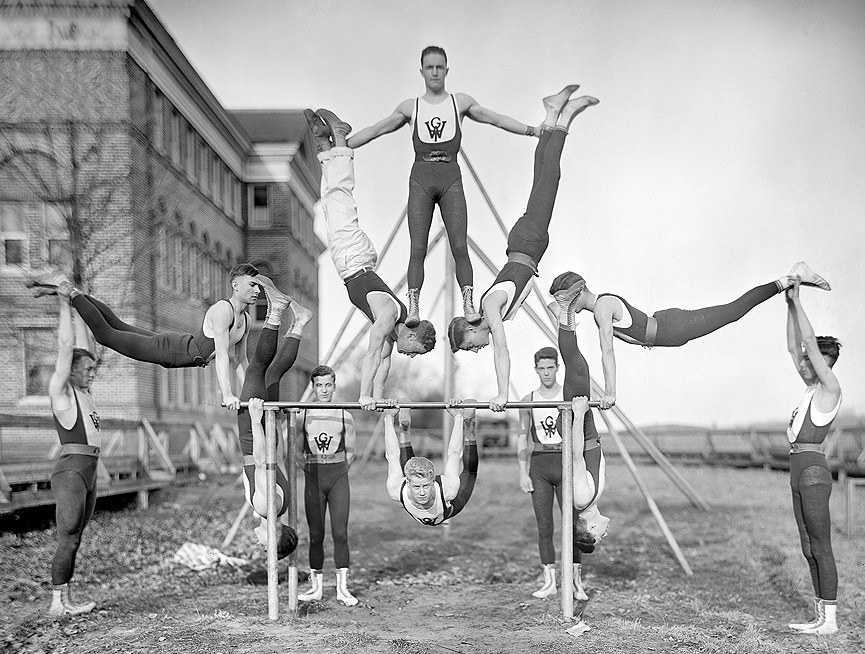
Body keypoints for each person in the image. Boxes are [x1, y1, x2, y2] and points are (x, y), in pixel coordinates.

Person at [346, 45, 545, 327]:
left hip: (450, 178)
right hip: (421, 181)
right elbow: (377, 129)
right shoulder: (410, 107)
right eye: (430, 67)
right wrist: (342, 146)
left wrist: (531, 130)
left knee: (459, 246)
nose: (435, 72)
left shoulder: (459, 103)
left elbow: (496, 119)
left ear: (447, 70)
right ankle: (414, 305)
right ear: (422, 71)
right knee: (418, 248)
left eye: (440, 67)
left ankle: (468, 303)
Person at [446, 86, 598, 410]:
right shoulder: (490, 311)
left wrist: (501, 394)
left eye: (469, 346)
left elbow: (502, 350)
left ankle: (562, 117)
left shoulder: (489, 309)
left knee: (549, 178)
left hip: (527, 242)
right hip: (526, 243)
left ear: (469, 331)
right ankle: (553, 114)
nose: (475, 350)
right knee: (542, 177)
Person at [548, 261, 832, 409]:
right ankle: (788, 279)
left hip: (674, 327)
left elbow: (606, 351)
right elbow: (556, 310)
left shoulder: (602, 307)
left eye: (566, 301)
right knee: (732, 311)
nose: (566, 308)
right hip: (667, 328)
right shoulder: (598, 305)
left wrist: (611, 391)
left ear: (579, 292)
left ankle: (790, 278)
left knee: (733, 310)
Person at [305, 108, 436, 411]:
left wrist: (377, 395)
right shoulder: (390, 316)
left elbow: (384, 364)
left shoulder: (392, 329)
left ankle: (327, 147)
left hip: (354, 261)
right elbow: (371, 356)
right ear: (412, 334)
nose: (411, 356)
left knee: (331, 203)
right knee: (340, 199)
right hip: (353, 260)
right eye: (415, 351)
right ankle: (340, 138)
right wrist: (364, 396)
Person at [31, 263, 263, 410]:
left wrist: (250, 394)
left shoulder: (246, 320)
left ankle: (69, 291)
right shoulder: (224, 310)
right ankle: (67, 289)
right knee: (105, 335)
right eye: (252, 285)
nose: (257, 291)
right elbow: (222, 355)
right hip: (173, 350)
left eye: (258, 287)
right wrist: (228, 395)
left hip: (177, 346)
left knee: (117, 325)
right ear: (235, 285)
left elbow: (241, 361)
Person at [783, 279, 842, 636]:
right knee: (808, 547)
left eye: (811, 360)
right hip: (796, 470)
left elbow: (806, 345)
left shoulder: (830, 389)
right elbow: (794, 346)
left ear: (824, 362)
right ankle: (821, 616)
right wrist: (789, 304)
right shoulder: (809, 390)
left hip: (813, 473)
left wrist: (801, 298)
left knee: (821, 545)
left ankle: (831, 621)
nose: (803, 363)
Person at [239, 278, 313, 562]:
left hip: (271, 440)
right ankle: (276, 312)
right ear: (274, 536)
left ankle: (299, 323)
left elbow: (277, 460)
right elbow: (260, 461)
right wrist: (256, 421)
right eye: (264, 547)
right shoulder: (266, 507)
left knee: (271, 376)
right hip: (254, 438)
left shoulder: (280, 507)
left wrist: (275, 429)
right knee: (256, 370)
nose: (258, 545)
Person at [517, 347, 589, 600]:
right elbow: (522, 436)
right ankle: (550, 582)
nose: (546, 373)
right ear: (536, 370)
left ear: (557, 368)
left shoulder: (566, 394)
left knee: (574, 524)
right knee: (544, 526)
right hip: (539, 464)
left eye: (550, 368)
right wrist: (522, 472)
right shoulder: (528, 399)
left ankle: (576, 581)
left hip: (565, 462)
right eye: (541, 368)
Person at [47, 293, 100, 617]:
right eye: (87, 370)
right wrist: (63, 304)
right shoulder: (63, 392)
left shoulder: (84, 393)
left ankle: (66, 597)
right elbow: (68, 348)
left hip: (90, 470)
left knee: (76, 538)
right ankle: (56, 603)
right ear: (72, 371)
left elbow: (83, 347)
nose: (92, 374)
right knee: (67, 535)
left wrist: (76, 299)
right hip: (71, 472)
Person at [295, 365, 358, 606]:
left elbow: (351, 451)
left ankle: (342, 589)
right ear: (313, 387)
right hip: (314, 476)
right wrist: (312, 470)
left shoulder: (345, 415)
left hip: (338, 475)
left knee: (340, 532)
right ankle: (316, 588)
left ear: (334, 386)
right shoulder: (304, 415)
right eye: (319, 385)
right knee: (316, 534)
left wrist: (337, 469)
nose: (323, 390)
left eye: (328, 385)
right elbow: (298, 450)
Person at [383, 401, 478, 526]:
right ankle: (404, 429)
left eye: (426, 486)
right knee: (411, 468)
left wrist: (458, 417)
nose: (422, 493)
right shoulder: (396, 489)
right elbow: (391, 455)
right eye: (416, 487)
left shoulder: (448, 490)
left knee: (470, 472)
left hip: (447, 505)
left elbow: (455, 453)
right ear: (406, 482)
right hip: (424, 492)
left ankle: (469, 426)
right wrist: (388, 418)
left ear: (433, 481)